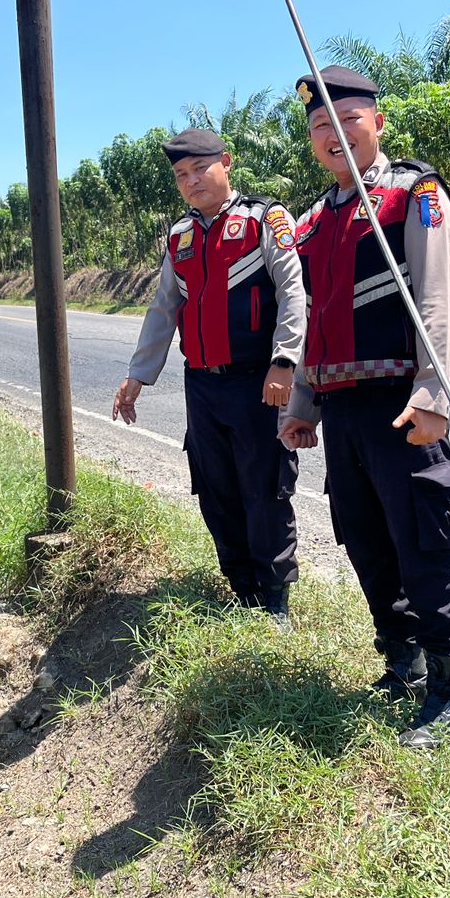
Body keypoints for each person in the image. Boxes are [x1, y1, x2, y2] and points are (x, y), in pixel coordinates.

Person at [278, 65, 450, 750]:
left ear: (377, 123)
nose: (334, 135)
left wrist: (431, 395)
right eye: (320, 127)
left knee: (423, 540)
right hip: (342, 412)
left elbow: (437, 302)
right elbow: (316, 321)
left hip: (401, 405)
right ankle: (404, 665)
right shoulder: (313, 221)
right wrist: (302, 402)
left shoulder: (413, 194)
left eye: (347, 120)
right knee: (364, 539)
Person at [113, 127, 305, 622]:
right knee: (216, 489)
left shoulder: (266, 219)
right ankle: (241, 588)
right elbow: (163, 309)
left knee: (264, 488)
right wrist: (138, 375)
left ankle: (274, 597)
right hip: (202, 384)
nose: (192, 180)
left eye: (200, 168)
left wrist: (284, 360)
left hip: (257, 383)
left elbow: (292, 293)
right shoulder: (179, 236)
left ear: (226, 162)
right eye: (181, 175)